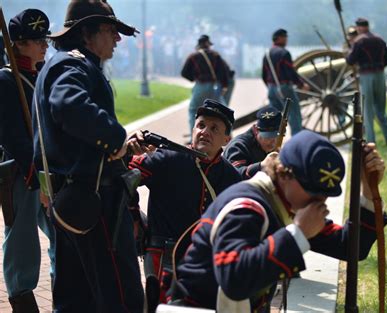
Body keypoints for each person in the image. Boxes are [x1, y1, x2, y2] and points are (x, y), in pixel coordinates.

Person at [170, 130, 387, 311]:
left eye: (324, 194)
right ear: (284, 174)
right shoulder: (246, 208)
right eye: (313, 191)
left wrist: (369, 193)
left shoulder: (285, 204)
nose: (319, 201)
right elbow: (233, 280)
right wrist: (298, 234)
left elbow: (350, 247)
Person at [32, 1, 144, 312]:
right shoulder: (74, 65)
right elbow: (69, 107)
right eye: (111, 31)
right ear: (86, 33)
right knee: (119, 296)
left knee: (76, 299)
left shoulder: (64, 64)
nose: (117, 39)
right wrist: (116, 138)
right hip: (94, 202)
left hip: (75, 197)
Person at [128, 99, 241, 312]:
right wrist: (134, 216)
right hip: (163, 255)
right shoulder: (168, 158)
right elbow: (125, 176)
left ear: (226, 139)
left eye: (214, 128)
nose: (205, 132)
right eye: (201, 125)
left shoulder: (231, 177)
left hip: (205, 259)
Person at [0, 9, 55, 311]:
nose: (44, 44)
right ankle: (21, 298)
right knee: (22, 241)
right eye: (36, 39)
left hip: (50, 170)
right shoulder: (7, 81)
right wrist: (34, 170)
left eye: (44, 38)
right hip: (23, 170)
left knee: (62, 234)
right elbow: (9, 133)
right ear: (18, 44)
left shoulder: (43, 76)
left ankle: (63, 288)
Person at [346, 18, 387, 146]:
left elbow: (350, 60)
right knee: (381, 110)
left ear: (358, 28)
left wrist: (349, 50)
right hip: (380, 75)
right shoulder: (380, 39)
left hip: (366, 76)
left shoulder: (359, 41)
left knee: (367, 111)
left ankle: (371, 141)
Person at [181, 35, 232, 137]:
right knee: (223, 111)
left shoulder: (193, 56)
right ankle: (226, 136)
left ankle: (194, 137)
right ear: (208, 44)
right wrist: (224, 86)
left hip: (200, 86)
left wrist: (193, 78)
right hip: (214, 87)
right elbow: (223, 72)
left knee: (194, 110)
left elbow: (184, 73)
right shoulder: (215, 55)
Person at [262, 29, 309, 135]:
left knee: (273, 116)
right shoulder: (284, 53)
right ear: (279, 38)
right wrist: (301, 84)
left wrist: (271, 88)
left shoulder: (267, 54)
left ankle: (269, 139)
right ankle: (296, 140)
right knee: (294, 115)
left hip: (271, 88)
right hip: (284, 88)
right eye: (285, 37)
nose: (286, 39)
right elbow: (290, 73)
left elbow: (264, 75)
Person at [223, 106, 282, 180]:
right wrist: (261, 166)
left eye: (276, 136)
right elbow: (236, 173)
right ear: (256, 130)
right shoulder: (238, 146)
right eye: (268, 137)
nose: (273, 142)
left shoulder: (269, 144)